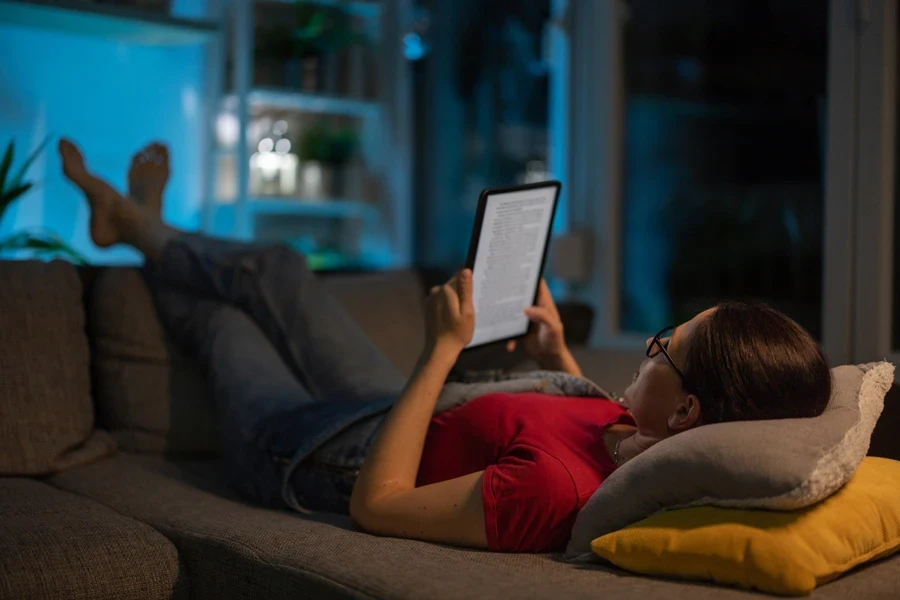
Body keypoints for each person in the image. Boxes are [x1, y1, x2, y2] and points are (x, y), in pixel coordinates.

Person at [58, 138, 833, 553]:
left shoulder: (552, 497)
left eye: (664, 348)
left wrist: (438, 350)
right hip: (387, 408)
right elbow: (586, 425)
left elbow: (379, 505)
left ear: (691, 411)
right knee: (279, 269)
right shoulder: (645, 439)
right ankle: (142, 230)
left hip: (313, 453)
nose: (648, 349)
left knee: (225, 321)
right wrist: (555, 354)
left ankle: (134, 229)